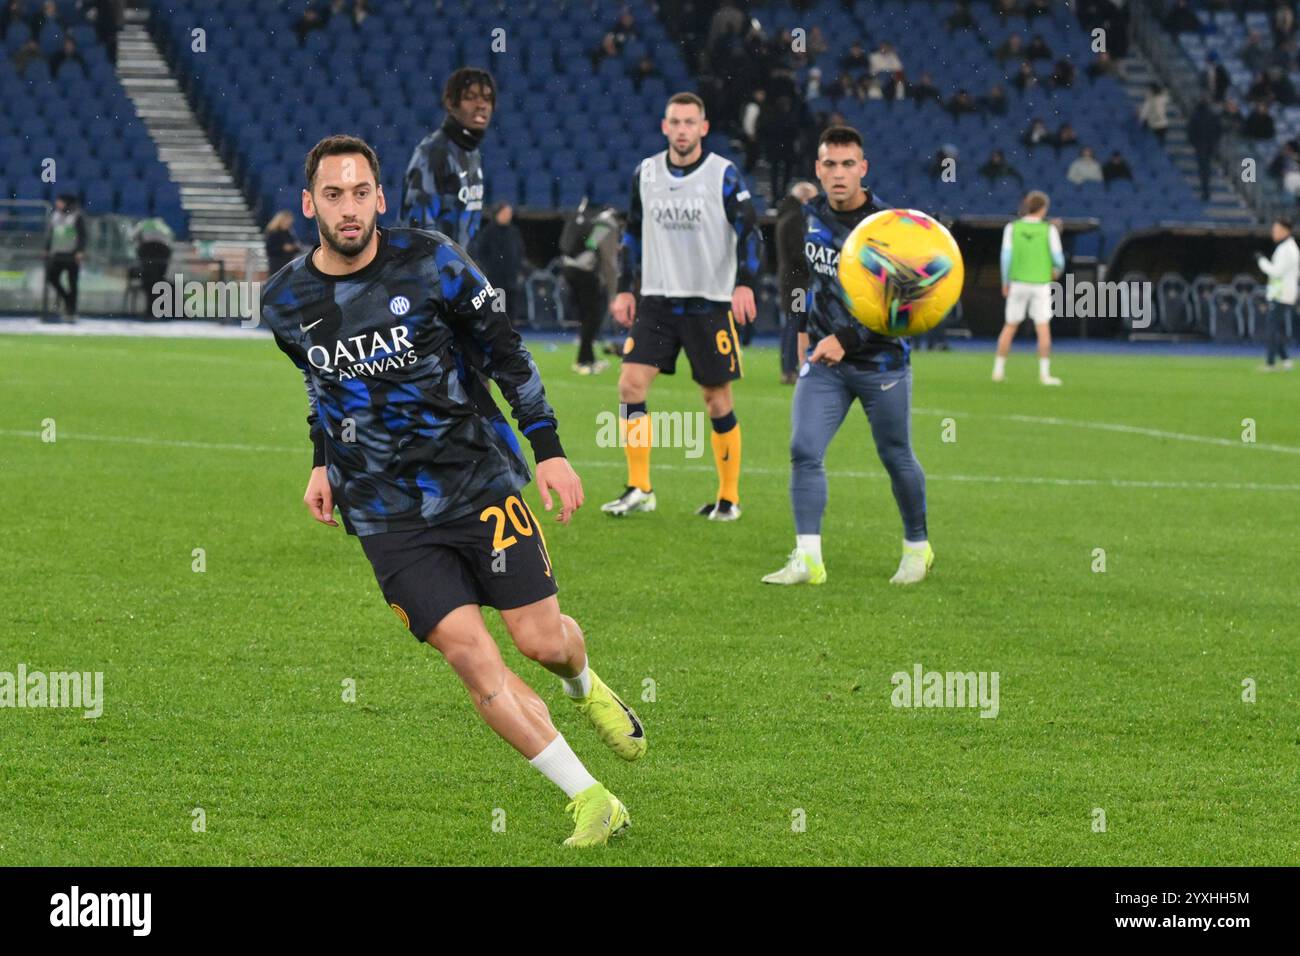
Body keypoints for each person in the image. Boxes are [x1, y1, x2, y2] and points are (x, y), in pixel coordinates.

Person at [260, 135, 646, 849]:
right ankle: (591, 797)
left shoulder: (431, 259)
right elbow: (322, 385)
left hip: (475, 481)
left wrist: (551, 450)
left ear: (381, 197)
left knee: (541, 642)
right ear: (309, 203)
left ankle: (585, 682)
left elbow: (507, 352)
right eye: (333, 194)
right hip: (383, 513)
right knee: (475, 660)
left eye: (360, 192)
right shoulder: (284, 301)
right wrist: (322, 460)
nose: (349, 208)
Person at [761, 125, 932, 588]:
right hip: (825, 361)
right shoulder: (807, 216)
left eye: (848, 165)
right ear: (818, 170)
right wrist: (798, 334)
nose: (839, 174)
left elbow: (906, 300)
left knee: (895, 454)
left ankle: (918, 547)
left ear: (863, 169)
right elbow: (799, 280)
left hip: (881, 362)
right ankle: (809, 558)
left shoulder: (888, 226)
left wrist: (849, 338)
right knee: (803, 449)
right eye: (830, 165)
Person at [602, 92, 762, 521]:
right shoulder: (646, 173)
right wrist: (624, 288)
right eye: (675, 121)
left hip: (708, 302)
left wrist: (745, 285)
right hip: (656, 299)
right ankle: (640, 488)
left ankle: (728, 497)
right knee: (629, 386)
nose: (683, 129)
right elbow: (632, 233)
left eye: (691, 122)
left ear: (704, 128)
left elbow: (750, 231)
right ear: (664, 126)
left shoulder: (723, 174)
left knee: (716, 399)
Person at [399, 67, 494, 247]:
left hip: (462, 269)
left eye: (487, 99)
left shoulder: (471, 152)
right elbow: (417, 232)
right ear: (451, 103)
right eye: (470, 97)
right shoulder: (433, 153)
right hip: (437, 272)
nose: (482, 105)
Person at [993, 190, 1063, 386]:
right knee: (1042, 328)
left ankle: (998, 370)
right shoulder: (1049, 230)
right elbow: (1058, 259)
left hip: (1017, 282)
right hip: (1040, 283)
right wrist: (1055, 272)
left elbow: (1005, 258)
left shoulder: (1012, 228)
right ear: (1043, 208)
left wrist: (1005, 281)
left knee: (1010, 326)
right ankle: (1044, 374)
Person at [557, 197, 620, 374]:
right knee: (591, 317)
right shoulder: (606, 224)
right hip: (584, 272)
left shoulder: (584, 216)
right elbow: (608, 259)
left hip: (569, 268)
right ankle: (583, 361)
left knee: (587, 317)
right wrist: (613, 291)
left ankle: (589, 358)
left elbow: (588, 244)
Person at [775, 181, 819, 385]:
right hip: (797, 286)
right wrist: (814, 263)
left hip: (791, 282)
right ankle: (790, 369)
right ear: (805, 199)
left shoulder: (786, 217)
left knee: (791, 324)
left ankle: (789, 367)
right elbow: (798, 255)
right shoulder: (795, 221)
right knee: (795, 324)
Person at [469, 201, 526, 327]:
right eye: (505, 213)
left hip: (511, 280)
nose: (508, 216)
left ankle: (510, 340)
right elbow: (480, 253)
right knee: (496, 312)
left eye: (509, 213)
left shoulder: (514, 232)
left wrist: (518, 269)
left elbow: (520, 252)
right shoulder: (488, 232)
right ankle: (496, 339)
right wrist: (489, 268)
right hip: (495, 280)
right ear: (497, 214)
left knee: (511, 313)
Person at [1256, 217, 1297, 371]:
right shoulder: (1287, 248)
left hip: (1281, 294)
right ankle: (1286, 360)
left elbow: (1276, 271)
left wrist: (1261, 261)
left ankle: (1270, 363)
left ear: (1285, 231)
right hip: (1281, 292)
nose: (1273, 233)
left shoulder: (1287, 249)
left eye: (1276, 230)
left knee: (1271, 327)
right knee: (1274, 327)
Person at [44, 194, 85, 323]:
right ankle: (67, 299)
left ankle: (71, 309)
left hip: (71, 254)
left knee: (72, 283)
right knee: (51, 277)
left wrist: (80, 251)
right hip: (57, 253)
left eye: (60, 201)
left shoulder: (76, 216)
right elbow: (51, 233)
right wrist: (47, 248)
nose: (57, 204)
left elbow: (82, 235)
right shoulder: (55, 216)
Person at [1187, 98, 1222, 201]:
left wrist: (1194, 143)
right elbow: (1219, 130)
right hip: (1210, 145)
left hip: (1200, 146)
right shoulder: (1214, 116)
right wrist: (1215, 142)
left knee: (1203, 168)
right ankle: (1206, 189)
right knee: (1207, 167)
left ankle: (1205, 189)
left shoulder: (1195, 116)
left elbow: (1190, 131)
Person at [264, 210, 303, 276]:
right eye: (286, 222)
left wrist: (294, 247)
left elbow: (297, 247)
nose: (288, 224)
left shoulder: (289, 233)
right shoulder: (273, 232)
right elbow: (269, 249)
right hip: (276, 264)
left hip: (288, 264)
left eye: (289, 222)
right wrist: (283, 248)